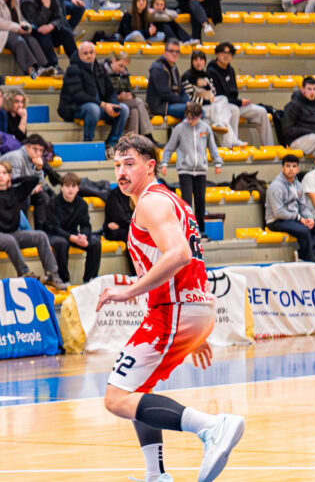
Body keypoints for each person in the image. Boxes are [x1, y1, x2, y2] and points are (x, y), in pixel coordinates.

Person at [97, 133, 244, 482]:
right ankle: (156, 475)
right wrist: (194, 328)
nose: (121, 171)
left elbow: (180, 255)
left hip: (175, 308)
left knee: (117, 398)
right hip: (187, 307)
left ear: (151, 166)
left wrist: (128, 290)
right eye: (117, 165)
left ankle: (211, 426)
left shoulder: (151, 203)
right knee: (133, 391)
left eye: (129, 164)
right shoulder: (172, 201)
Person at [0, 161, 64, 286]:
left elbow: (33, 180)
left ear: (9, 176)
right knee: (9, 240)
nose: (1, 176)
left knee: (41, 236)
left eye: (4, 173)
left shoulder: (16, 192)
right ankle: (24, 273)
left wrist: (13, 179)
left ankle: (52, 274)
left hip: (12, 233)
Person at [160, 101, 221, 233]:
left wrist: (217, 162)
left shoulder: (205, 128)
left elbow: (212, 147)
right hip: (185, 170)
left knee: (200, 202)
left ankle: (201, 231)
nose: (190, 121)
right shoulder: (179, 128)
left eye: (192, 118)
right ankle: (187, 231)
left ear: (199, 116)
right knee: (186, 202)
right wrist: (164, 162)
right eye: (188, 117)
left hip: (201, 171)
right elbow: (169, 148)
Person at [58, 41, 129, 156]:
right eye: (85, 53)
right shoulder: (73, 69)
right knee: (93, 108)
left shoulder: (99, 68)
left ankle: (112, 144)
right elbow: (78, 95)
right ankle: (88, 143)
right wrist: (103, 105)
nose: (89, 55)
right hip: (75, 108)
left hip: (99, 106)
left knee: (123, 108)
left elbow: (110, 91)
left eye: (91, 52)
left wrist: (112, 104)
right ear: (79, 55)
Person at [207, 42, 274, 146]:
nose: (226, 56)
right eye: (223, 52)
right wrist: (240, 102)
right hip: (221, 107)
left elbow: (233, 93)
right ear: (217, 54)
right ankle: (232, 145)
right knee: (234, 109)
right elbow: (219, 98)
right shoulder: (211, 71)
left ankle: (269, 147)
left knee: (261, 111)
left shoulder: (231, 69)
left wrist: (240, 102)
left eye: (229, 53)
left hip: (234, 103)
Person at [267, 154, 315, 262]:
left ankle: (302, 256)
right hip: (276, 221)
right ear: (282, 168)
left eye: (294, 166)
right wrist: (299, 218)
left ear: (298, 169)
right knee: (304, 230)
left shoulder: (298, 185)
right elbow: (278, 212)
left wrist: (310, 218)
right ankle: (310, 262)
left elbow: (303, 206)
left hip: (294, 219)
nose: (291, 169)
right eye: (288, 166)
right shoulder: (275, 186)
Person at [22, 0, 78, 72]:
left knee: (66, 33)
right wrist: (46, 6)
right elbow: (37, 23)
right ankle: (53, 66)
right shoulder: (27, 1)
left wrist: (51, 25)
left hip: (50, 30)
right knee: (44, 33)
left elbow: (60, 17)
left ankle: (77, 63)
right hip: (34, 33)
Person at [108, 52, 153, 141]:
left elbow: (129, 90)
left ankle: (132, 140)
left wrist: (129, 95)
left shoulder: (124, 72)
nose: (122, 69)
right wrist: (118, 95)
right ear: (113, 61)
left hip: (124, 101)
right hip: (111, 101)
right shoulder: (104, 72)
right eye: (120, 65)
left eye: (124, 66)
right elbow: (106, 91)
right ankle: (148, 135)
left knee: (135, 111)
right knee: (139, 102)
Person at [147, 39, 187, 118]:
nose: (174, 54)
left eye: (177, 51)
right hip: (160, 106)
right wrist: (183, 101)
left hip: (173, 103)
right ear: (165, 52)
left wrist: (188, 101)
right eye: (171, 51)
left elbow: (181, 89)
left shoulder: (173, 67)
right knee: (193, 111)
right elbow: (164, 94)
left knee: (196, 109)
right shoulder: (158, 68)